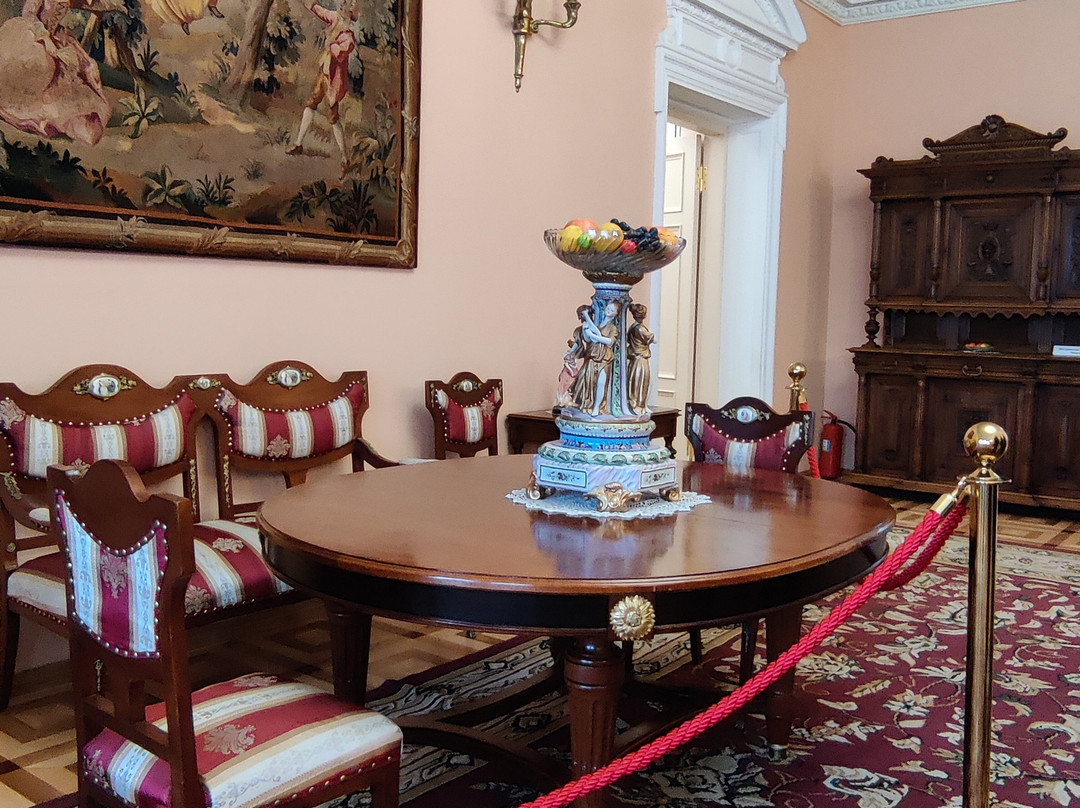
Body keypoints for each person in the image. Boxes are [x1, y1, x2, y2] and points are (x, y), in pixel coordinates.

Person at [0, 0, 122, 146]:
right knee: (43, 68)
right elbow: (29, 13)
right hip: (33, 37)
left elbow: (91, 4)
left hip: (56, 37)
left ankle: (77, 121)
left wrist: (117, 6)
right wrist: (45, 38)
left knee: (86, 68)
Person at [285, 0, 360, 174]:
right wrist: (310, 5)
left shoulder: (349, 38)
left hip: (334, 81)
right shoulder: (335, 18)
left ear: (350, 12)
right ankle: (298, 144)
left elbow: (339, 54)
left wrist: (329, 41)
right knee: (311, 104)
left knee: (333, 118)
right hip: (324, 75)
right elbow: (322, 12)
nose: (343, 5)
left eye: (347, 4)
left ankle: (345, 158)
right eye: (344, 3)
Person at [571, 300, 620, 417]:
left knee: (601, 383)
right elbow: (588, 339)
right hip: (592, 356)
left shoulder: (612, 328)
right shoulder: (598, 324)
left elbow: (610, 342)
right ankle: (587, 404)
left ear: (616, 314)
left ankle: (597, 407)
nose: (609, 310)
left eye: (612, 310)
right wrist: (586, 331)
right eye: (608, 308)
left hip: (604, 358)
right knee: (585, 380)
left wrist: (594, 336)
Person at [555, 305, 589, 410]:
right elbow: (578, 347)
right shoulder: (580, 331)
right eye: (582, 315)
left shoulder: (593, 329)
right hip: (588, 360)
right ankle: (567, 400)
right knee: (571, 381)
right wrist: (572, 350)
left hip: (598, 358)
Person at [626, 302, 655, 415]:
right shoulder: (640, 329)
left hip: (635, 359)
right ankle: (639, 404)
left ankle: (639, 404)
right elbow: (653, 339)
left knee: (635, 380)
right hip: (640, 359)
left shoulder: (632, 327)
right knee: (641, 382)